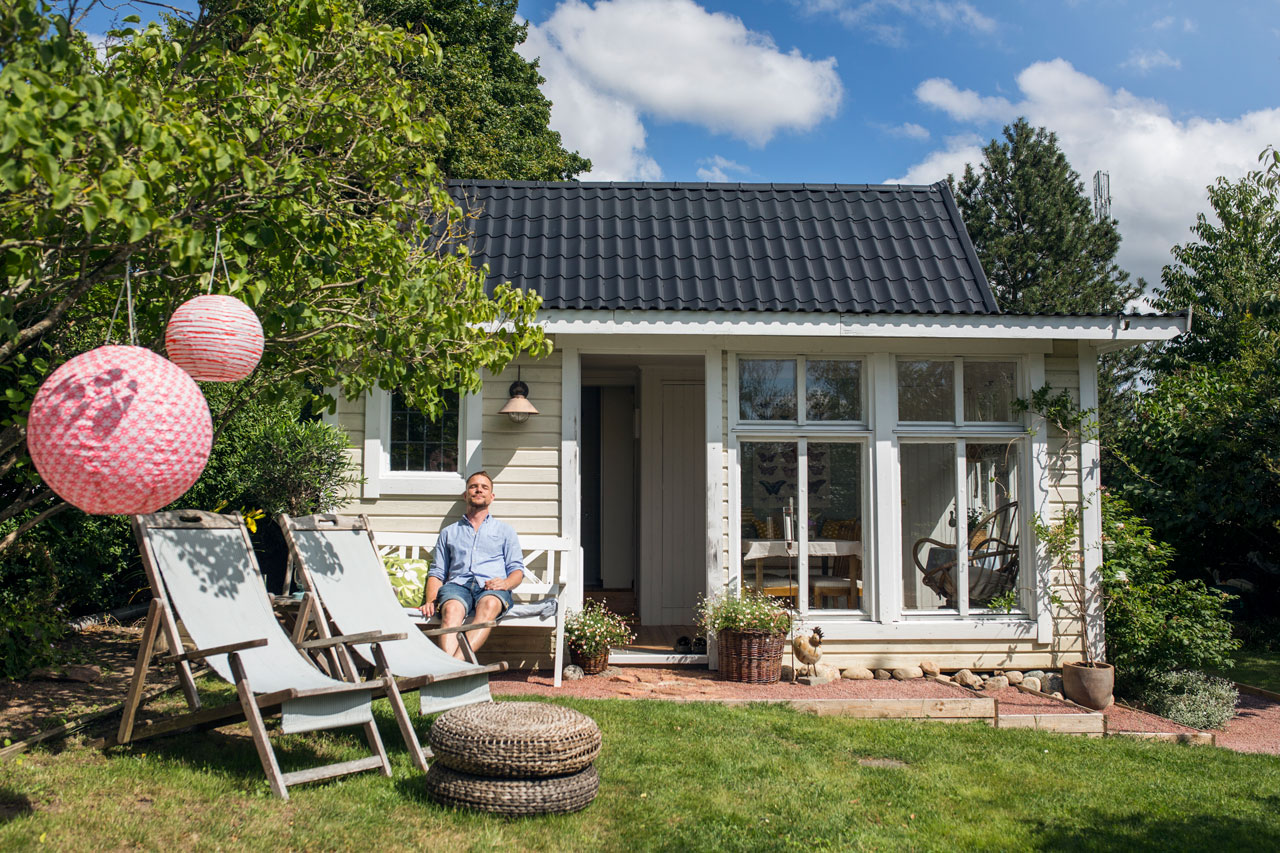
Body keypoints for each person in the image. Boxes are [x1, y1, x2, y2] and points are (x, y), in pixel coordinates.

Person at [419, 471, 524, 659]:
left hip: (491, 587)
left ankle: (451, 669)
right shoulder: (449, 532)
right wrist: (430, 600)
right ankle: (456, 671)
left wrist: (505, 584)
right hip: (458, 587)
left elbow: (517, 570)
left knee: (490, 603)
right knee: (451, 610)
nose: (478, 490)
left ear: (491, 497)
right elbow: (438, 571)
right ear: (465, 495)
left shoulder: (505, 531)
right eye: (473, 486)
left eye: (484, 487)